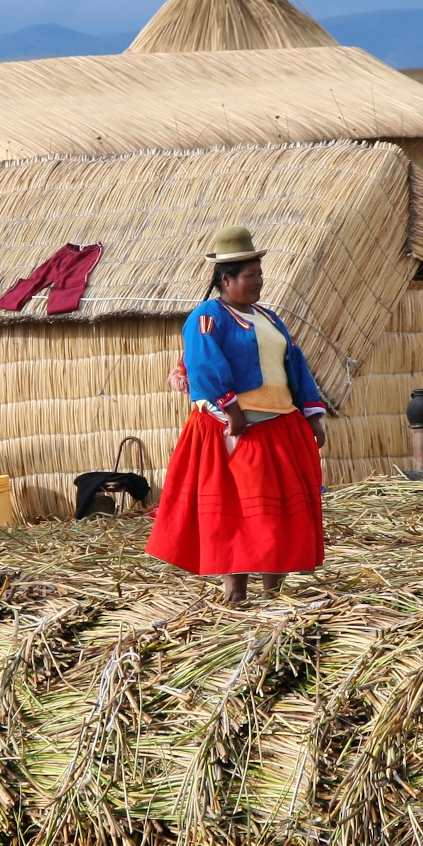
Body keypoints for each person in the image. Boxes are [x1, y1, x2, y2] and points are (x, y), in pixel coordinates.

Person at [146, 225, 327, 604]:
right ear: (226, 280)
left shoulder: (269, 317)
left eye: (260, 274)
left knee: (274, 515)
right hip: (235, 428)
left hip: (279, 424)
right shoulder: (208, 316)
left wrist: (312, 415)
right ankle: (235, 592)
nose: (258, 281)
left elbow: (295, 364)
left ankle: (273, 594)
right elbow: (204, 362)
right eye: (250, 276)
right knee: (240, 514)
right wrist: (232, 410)